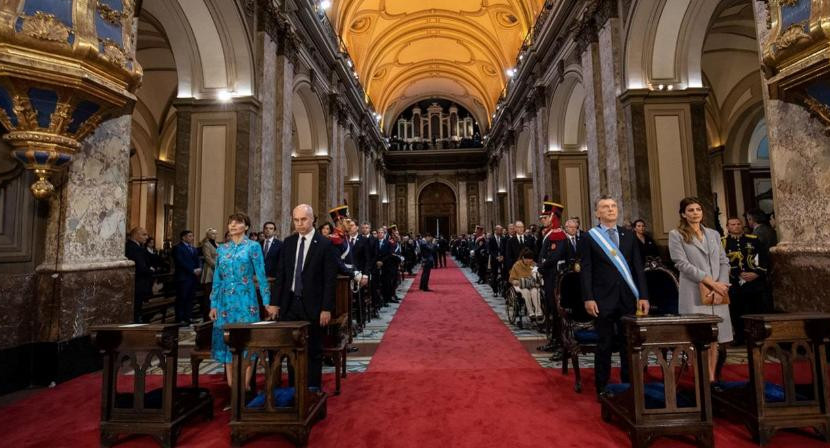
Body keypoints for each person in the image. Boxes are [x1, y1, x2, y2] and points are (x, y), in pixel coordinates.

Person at [579, 195, 649, 400]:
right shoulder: (590, 237)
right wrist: (588, 297)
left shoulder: (629, 235)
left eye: (613, 206)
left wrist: (643, 295)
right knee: (605, 344)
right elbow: (586, 270)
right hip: (602, 299)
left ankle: (629, 386)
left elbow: (638, 267)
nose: (610, 210)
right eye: (605, 207)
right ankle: (603, 387)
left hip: (628, 298)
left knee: (629, 344)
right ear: (597, 213)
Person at [273, 204, 339, 389]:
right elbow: (281, 276)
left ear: (312, 219)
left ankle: (312, 390)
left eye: (303, 219)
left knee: (313, 350)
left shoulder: (325, 244)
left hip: (314, 306)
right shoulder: (288, 243)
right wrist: (275, 304)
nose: (300, 224)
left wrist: (326, 308)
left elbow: (329, 280)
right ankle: (295, 391)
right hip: (290, 304)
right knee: (292, 349)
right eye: (296, 220)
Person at [209, 213, 276, 390]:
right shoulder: (222, 248)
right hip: (224, 301)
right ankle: (232, 386)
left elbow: (261, 276)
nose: (232, 225)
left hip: (246, 300)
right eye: (230, 222)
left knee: (247, 341)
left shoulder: (253, 247)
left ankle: (245, 387)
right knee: (227, 341)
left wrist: (267, 302)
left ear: (246, 227)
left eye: (237, 223)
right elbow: (217, 277)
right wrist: (213, 304)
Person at [668, 197, 732, 381]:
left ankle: (711, 379)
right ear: (683, 214)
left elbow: (723, 261)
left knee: (714, 339)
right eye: (690, 210)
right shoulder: (676, 234)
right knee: (697, 339)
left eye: (698, 209)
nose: (695, 213)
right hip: (695, 292)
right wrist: (711, 282)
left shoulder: (713, 234)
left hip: (718, 294)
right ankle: (701, 379)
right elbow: (681, 263)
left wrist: (722, 285)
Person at [722, 217, 769, 345]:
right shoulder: (723, 242)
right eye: (733, 224)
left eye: (738, 224)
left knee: (754, 309)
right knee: (736, 311)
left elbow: (764, 258)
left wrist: (757, 273)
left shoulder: (753, 240)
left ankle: (755, 337)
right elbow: (722, 262)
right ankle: (739, 337)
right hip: (734, 282)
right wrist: (737, 274)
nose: (736, 226)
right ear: (727, 227)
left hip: (754, 282)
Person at [173, 229, 202, 325]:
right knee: (182, 298)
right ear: (183, 237)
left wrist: (199, 268)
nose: (192, 238)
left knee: (190, 298)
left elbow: (198, 260)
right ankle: (180, 318)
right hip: (183, 277)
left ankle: (188, 317)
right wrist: (192, 270)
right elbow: (180, 262)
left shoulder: (193, 248)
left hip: (193, 277)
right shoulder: (178, 248)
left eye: (192, 236)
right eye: (190, 236)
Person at [126, 227, 153, 323]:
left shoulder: (138, 247)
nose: (147, 237)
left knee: (138, 309)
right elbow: (140, 267)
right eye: (144, 234)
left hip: (139, 283)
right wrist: (150, 270)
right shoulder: (133, 247)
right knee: (136, 309)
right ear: (136, 235)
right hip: (137, 283)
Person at [510, 248, 544, 320]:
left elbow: (539, 276)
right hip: (520, 284)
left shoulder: (534, 264)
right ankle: (531, 312)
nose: (529, 261)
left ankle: (538, 312)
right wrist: (515, 281)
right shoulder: (517, 265)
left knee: (535, 291)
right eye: (527, 259)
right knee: (526, 292)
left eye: (530, 259)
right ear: (523, 258)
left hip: (532, 284)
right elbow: (511, 278)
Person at [200, 228, 218, 322]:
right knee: (208, 295)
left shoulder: (217, 244)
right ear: (208, 235)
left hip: (217, 271)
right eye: (212, 233)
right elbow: (208, 258)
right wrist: (217, 267)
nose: (214, 235)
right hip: (210, 270)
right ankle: (207, 317)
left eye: (215, 233)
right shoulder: (206, 244)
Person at [488, 225, 506, 294]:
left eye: (501, 230)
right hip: (494, 260)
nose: (501, 231)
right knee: (494, 275)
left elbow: (505, 249)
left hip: (502, 259)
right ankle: (495, 290)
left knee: (503, 274)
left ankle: (502, 289)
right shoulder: (491, 239)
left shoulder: (503, 238)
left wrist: (502, 256)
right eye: (500, 230)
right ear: (496, 230)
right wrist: (496, 257)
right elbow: (490, 250)